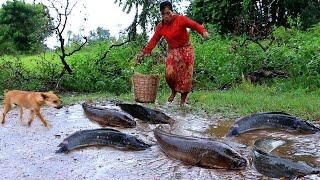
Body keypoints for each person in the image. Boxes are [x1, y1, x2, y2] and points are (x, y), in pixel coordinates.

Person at [136, 1, 209, 105]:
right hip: (173, 51)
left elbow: (194, 25)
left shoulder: (180, 19)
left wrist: (203, 32)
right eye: (163, 14)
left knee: (186, 76)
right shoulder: (161, 26)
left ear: (172, 12)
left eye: (168, 13)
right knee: (169, 74)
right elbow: (154, 39)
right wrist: (145, 51)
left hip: (186, 49)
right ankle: (173, 91)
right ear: (161, 14)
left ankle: (183, 101)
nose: (166, 16)